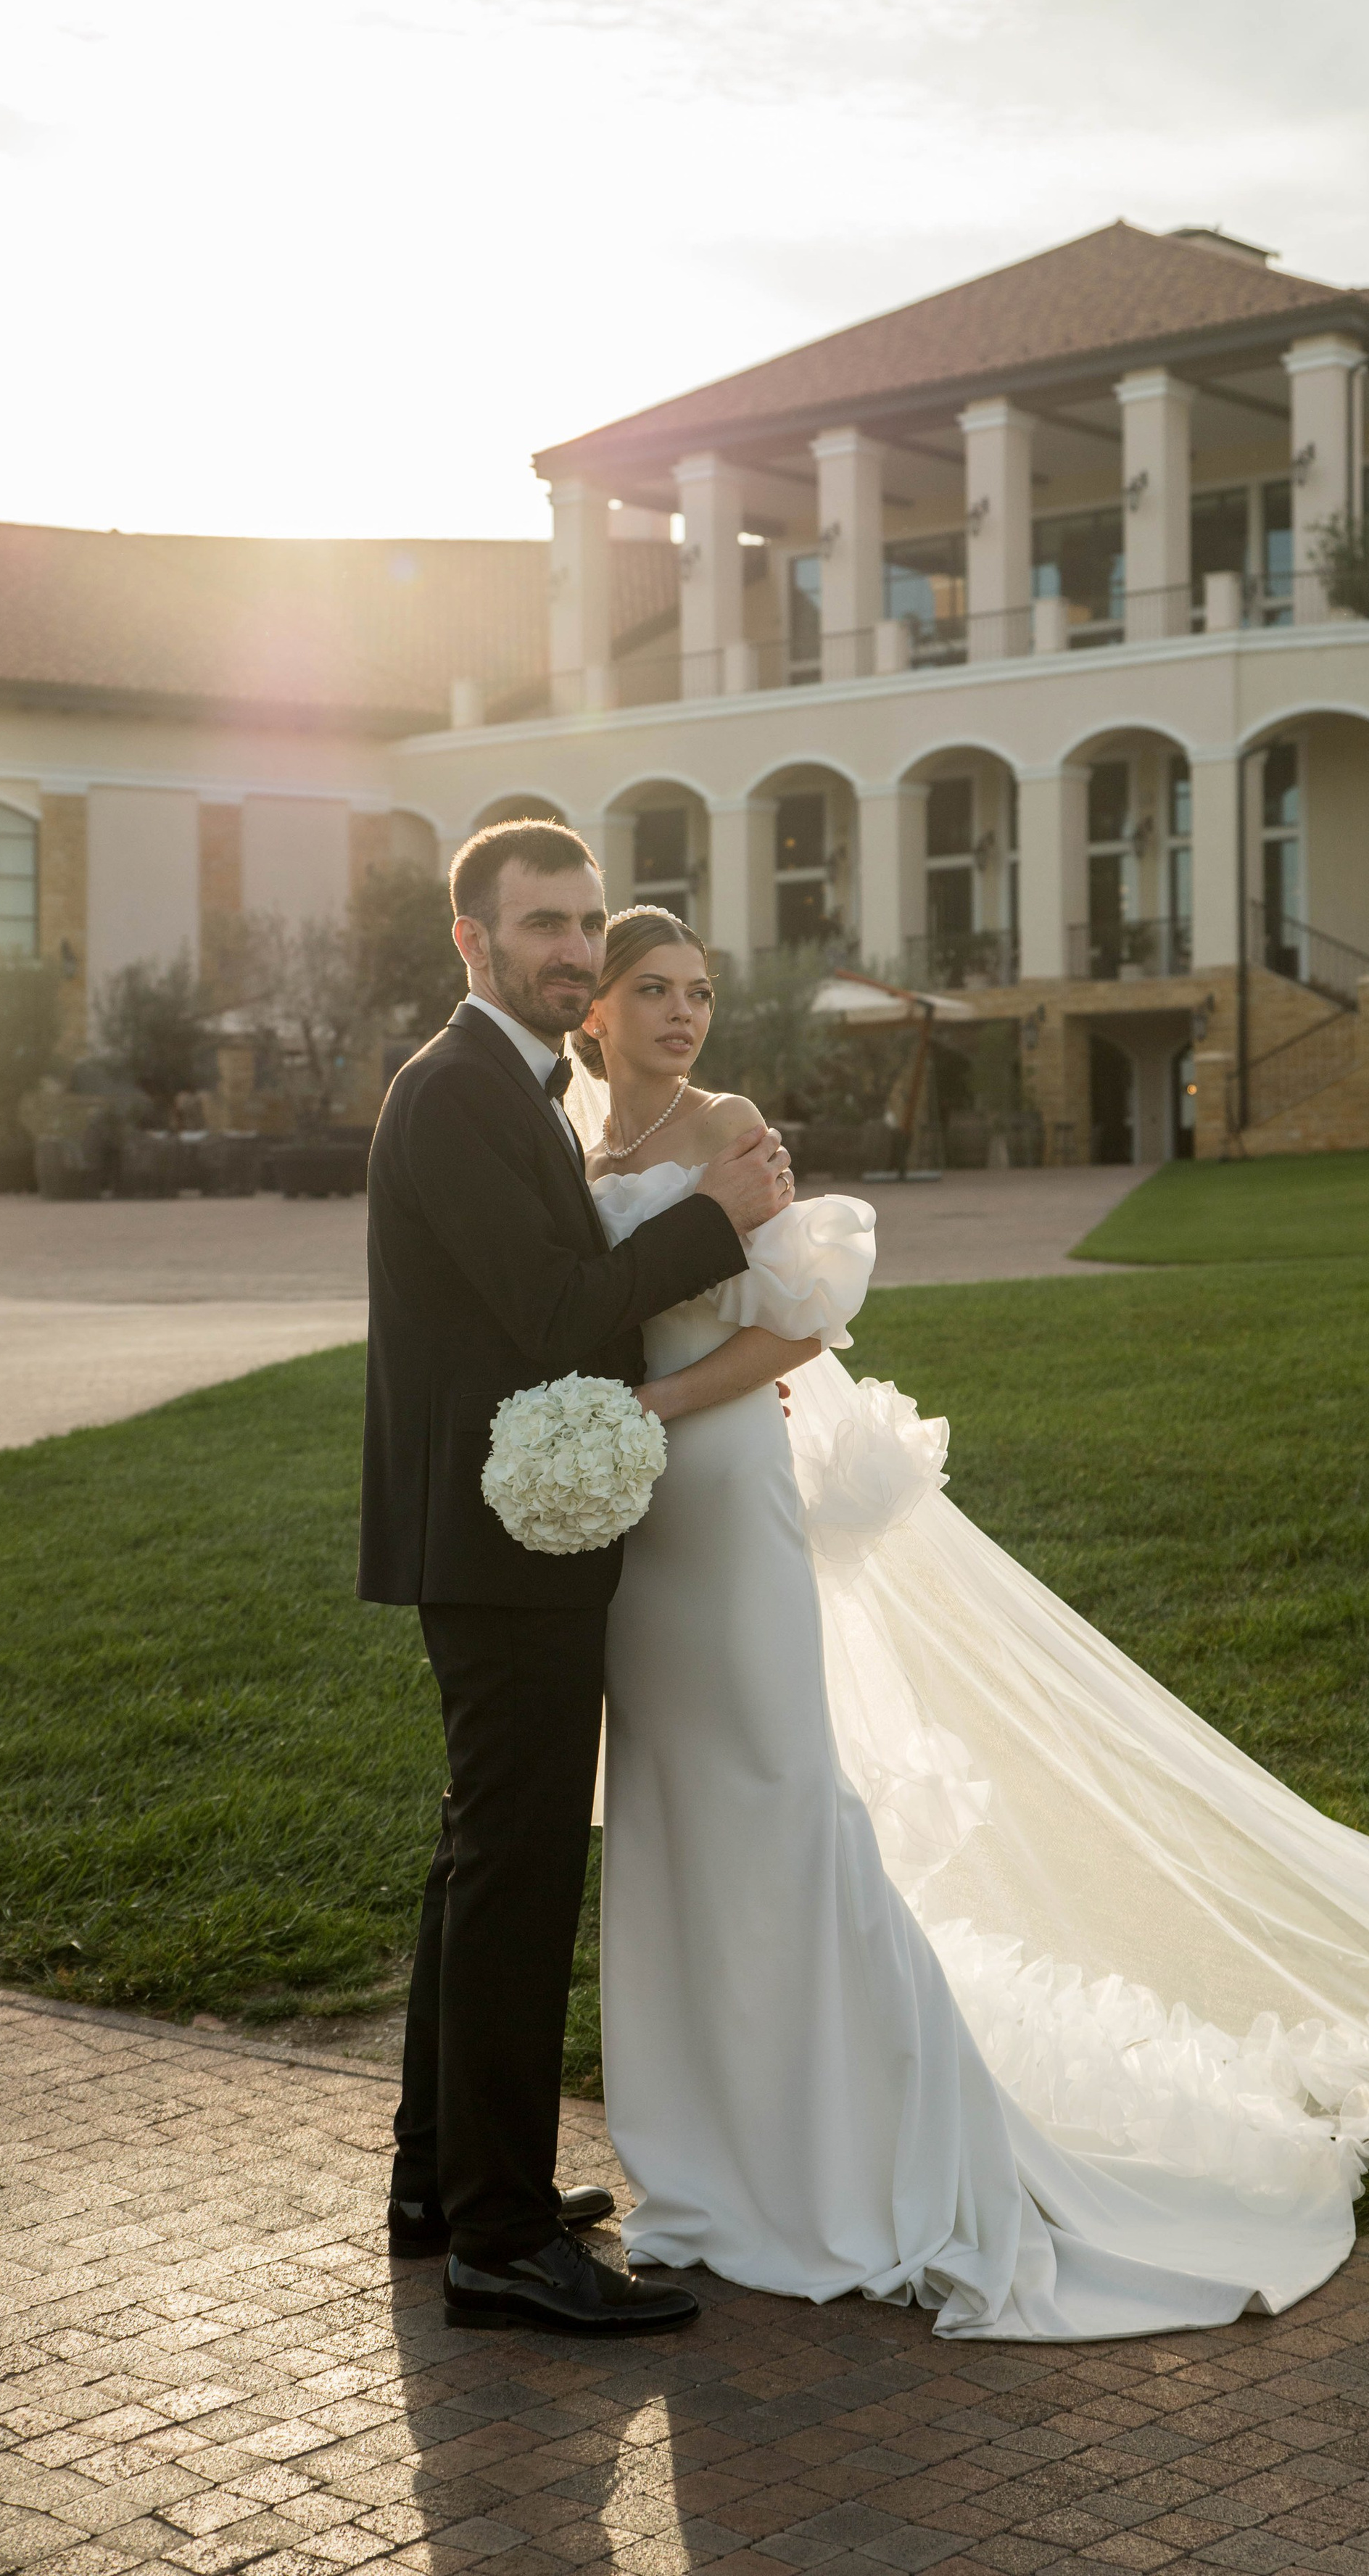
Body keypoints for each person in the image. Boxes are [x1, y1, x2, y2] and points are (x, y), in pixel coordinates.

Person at [568, 905, 1369, 2344]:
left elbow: (801, 1325)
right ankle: (713, 2138)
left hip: (724, 1488)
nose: (682, 1012)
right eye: (652, 990)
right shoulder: (578, 1150)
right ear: (596, 1010)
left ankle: (842, 2142)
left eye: (699, 990)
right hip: (638, 1520)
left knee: (781, 1793)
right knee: (671, 1806)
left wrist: (649, 1405)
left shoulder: (732, 1129)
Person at [360, 823, 793, 2339]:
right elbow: (552, 1314)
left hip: (504, 1529)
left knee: (483, 1856)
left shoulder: (517, 1084)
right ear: (472, 940)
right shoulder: (458, 1092)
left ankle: (440, 2184)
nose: (572, 948)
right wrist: (716, 1224)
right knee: (520, 1869)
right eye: (543, 922)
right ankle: (498, 2238)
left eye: (586, 921)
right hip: (497, 1544)